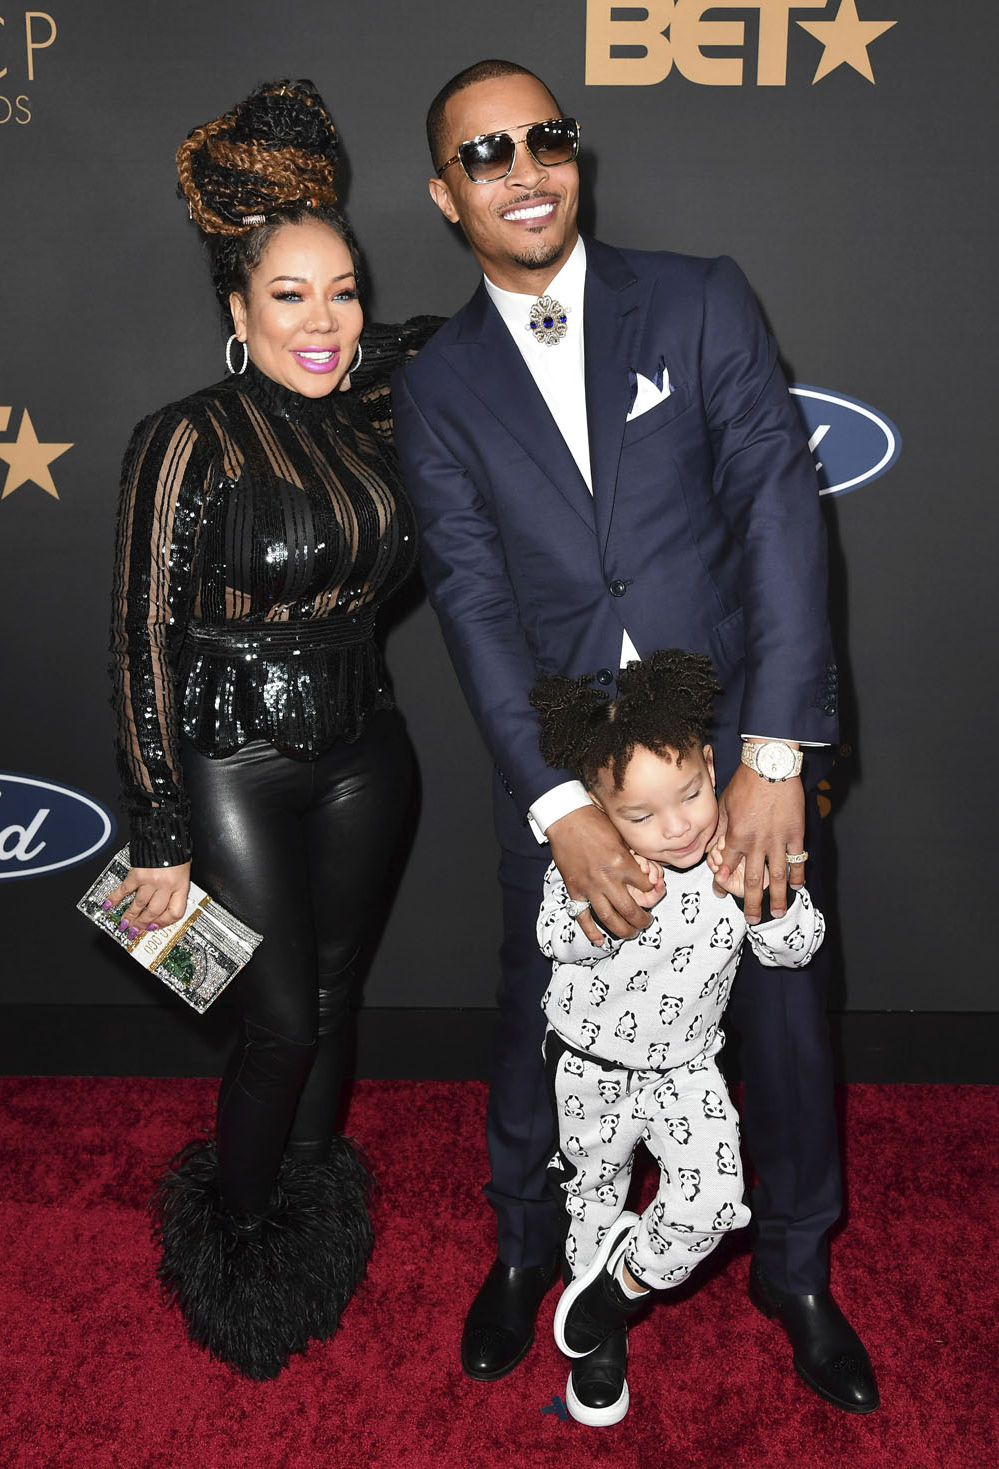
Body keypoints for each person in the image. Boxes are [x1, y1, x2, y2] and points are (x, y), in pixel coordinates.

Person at [392, 58, 878, 1413]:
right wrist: (558, 802)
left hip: (733, 758)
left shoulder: (701, 295)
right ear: (447, 195)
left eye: (543, 137)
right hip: (558, 776)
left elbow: (783, 517)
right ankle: (525, 1249)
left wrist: (776, 753)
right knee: (541, 1019)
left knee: (782, 1019)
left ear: (575, 154)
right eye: (486, 154)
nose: (524, 167)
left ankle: (794, 1269)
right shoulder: (434, 388)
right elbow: (477, 607)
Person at [108, 79, 436, 1380]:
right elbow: (138, 635)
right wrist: (157, 832)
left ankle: (309, 1195)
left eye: (342, 289)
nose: (324, 318)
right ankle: (239, 1245)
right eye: (290, 293)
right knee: (280, 1023)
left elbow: (504, 336)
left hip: (368, 749)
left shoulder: (380, 417)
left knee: (338, 993)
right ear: (239, 309)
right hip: (229, 754)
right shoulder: (182, 439)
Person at [530, 649, 824, 1424]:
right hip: (590, 1066)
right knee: (592, 1200)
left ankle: (614, 1293)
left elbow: (797, 949)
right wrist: (609, 905)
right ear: (599, 811)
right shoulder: (596, 863)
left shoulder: (735, 848)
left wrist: (765, 899)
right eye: (641, 815)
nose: (678, 824)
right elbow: (556, 937)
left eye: (690, 793)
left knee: (717, 1202)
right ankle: (598, 1347)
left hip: (688, 1069)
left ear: (708, 762)